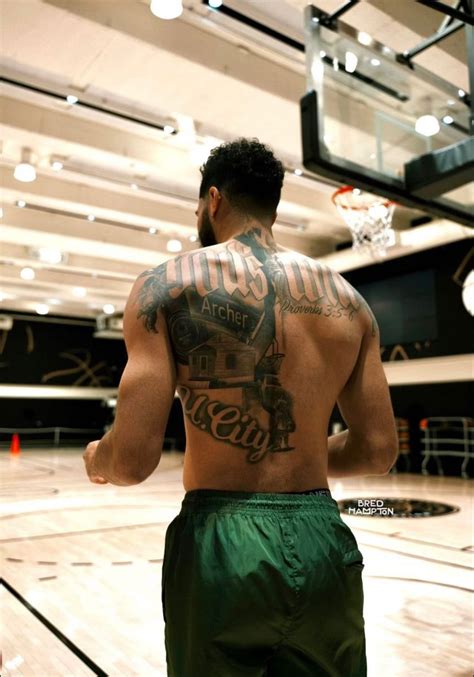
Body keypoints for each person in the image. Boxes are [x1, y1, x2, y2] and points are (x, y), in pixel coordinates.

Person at [84, 138, 398, 676]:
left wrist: (97, 457)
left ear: (213, 200)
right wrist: (297, 452)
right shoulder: (351, 303)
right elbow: (377, 451)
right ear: (272, 204)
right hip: (323, 538)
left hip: (220, 541)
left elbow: (132, 460)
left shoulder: (165, 286)